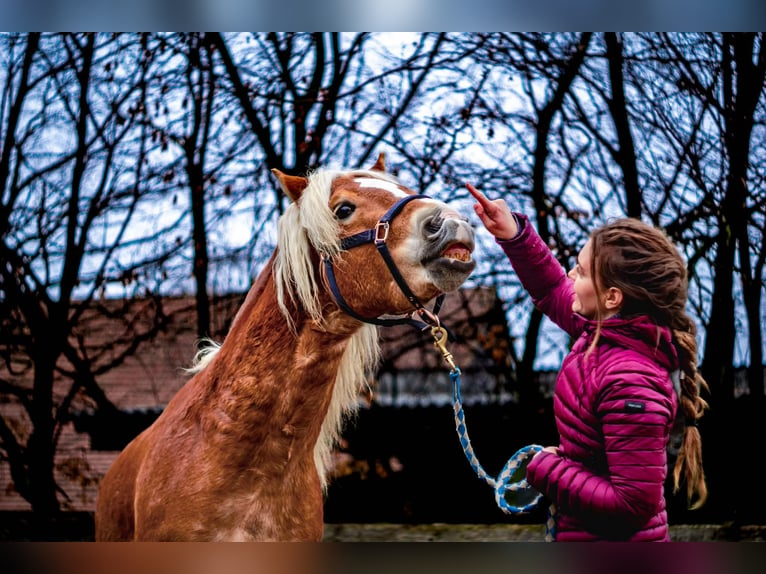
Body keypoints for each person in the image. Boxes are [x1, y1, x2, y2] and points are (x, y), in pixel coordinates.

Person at [467, 183, 708, 542]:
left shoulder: (630, 382)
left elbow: (631, 506)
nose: (570, 276)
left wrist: (547, 470)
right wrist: (514, 235)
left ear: (612, 296)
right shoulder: (604, 333)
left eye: (580, 271)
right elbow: (552, 290)